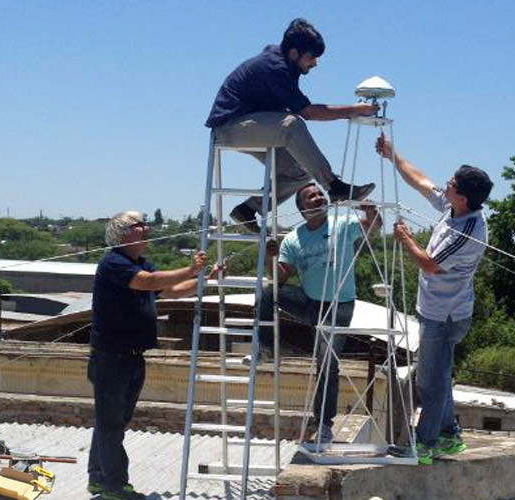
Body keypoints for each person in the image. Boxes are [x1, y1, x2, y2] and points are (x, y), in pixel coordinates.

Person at [375, 136, 493, 465]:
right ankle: (451, 434)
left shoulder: (467, 231)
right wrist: (393, 155)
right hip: (435, 312)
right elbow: (421, 181)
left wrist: (406, 239)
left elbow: (429, 264)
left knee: (431, 381)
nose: (446, 183)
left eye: (452, 183)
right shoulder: (455, 207)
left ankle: (424, 443)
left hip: (446, 316)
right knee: (437, 375)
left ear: (464, 197)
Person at [87, 210, 220, 499]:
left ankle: (98, 478)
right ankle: (114, 485)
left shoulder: (139, 264)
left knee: (112, 421)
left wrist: (205, 279)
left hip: (132, 356)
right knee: (111, 423)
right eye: (139, 225)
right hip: (112, 358)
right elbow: (148, 282)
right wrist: (190, 269)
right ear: (123, 234)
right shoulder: (114, 263)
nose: (146, 228)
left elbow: (169, 290)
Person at [205, 18, 379, 233]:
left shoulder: (285, 64)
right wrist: (353, 110)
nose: (315, 63)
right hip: (229, 128)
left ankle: (249, 209)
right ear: (294, 53)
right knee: (291, 125)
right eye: (312, 57)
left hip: (254, 126)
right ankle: (334, 187)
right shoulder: (276, 68)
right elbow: (309, 113)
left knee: (300, 171)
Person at [254, 183, 380, 443]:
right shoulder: (293, 239)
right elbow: (278, 279)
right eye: (311, 196)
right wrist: (270, 257)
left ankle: (323, 424)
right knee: (267, 293)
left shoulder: (342, 225)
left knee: (327, 364)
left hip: (338, 307)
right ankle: (266, 347)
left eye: (320, 194)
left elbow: (373, 228)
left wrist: (372, 212)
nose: (318, 197)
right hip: (311, 303)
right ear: (302, 209)